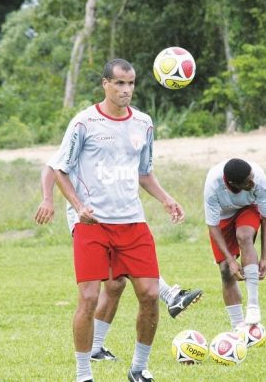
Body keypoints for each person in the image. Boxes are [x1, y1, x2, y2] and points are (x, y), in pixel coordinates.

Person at [50, 58, 188, 382]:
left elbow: (144, 173)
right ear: (105, 84)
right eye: (120, 84)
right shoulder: (84, 123)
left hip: (133, 223)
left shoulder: (144, 123)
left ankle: (139, 369)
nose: (126, 90)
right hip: (93, 225)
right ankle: (84, 374)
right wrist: (78, 206)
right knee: (88, 298)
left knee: (151, 294)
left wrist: (167, 199)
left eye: (131, 84)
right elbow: (59, 169)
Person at [35, 164, 203, 363]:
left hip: (115, 216)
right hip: (87, 218)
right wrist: (47, 198)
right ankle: (170, 295)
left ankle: (95, 349)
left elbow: (141, 172)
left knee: (115, 284)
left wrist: (165, 198)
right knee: (110, 280)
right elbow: (52, 166)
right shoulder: (81, 133)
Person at [203, 158, 266, 330]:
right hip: (222, 216)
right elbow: (212, 226)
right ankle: (238, 328)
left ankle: (253, 306)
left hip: (248, 208)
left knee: (244, 236)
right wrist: (232, 260)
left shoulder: (260, 181)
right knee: (226, 270)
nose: (253, 182)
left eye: (252, 177)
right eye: (248, 181)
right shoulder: (213, 185)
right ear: (233, 184)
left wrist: (264, 258)